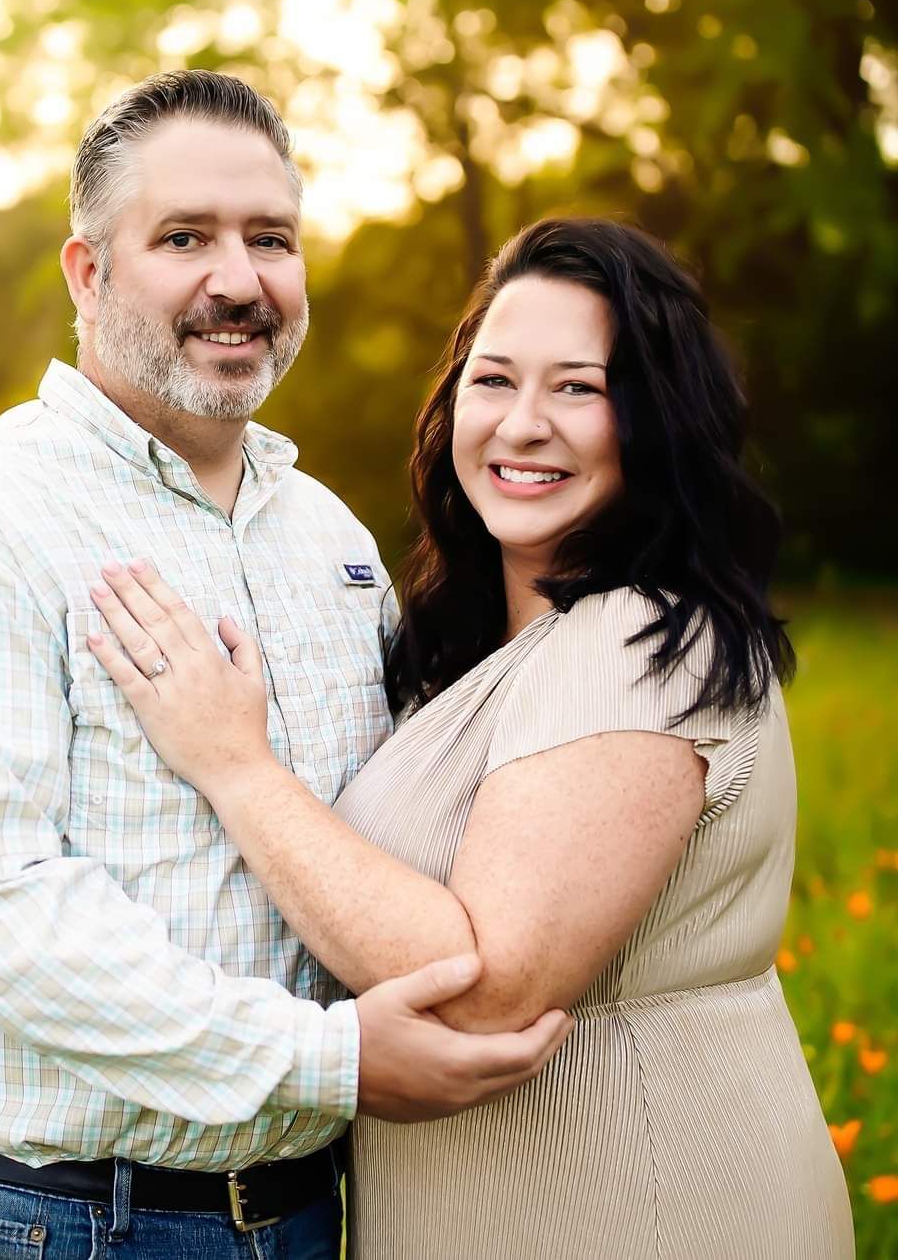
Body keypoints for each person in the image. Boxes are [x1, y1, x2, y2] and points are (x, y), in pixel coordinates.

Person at [0, 72, 574, 1260]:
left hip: (310, 1209)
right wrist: (331, 1058)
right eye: (184, 238)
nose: (239, 280)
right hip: (53, 1220)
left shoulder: (326, 537)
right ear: (88, 272)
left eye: (269, 239)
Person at [84, 219, 856, 1258]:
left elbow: (490, 991)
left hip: (638, 1208)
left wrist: (234, 765)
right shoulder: (487, 649)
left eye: (578, 388)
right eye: (493, 381)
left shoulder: (635, 638)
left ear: (656, 419)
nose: (523, 425)